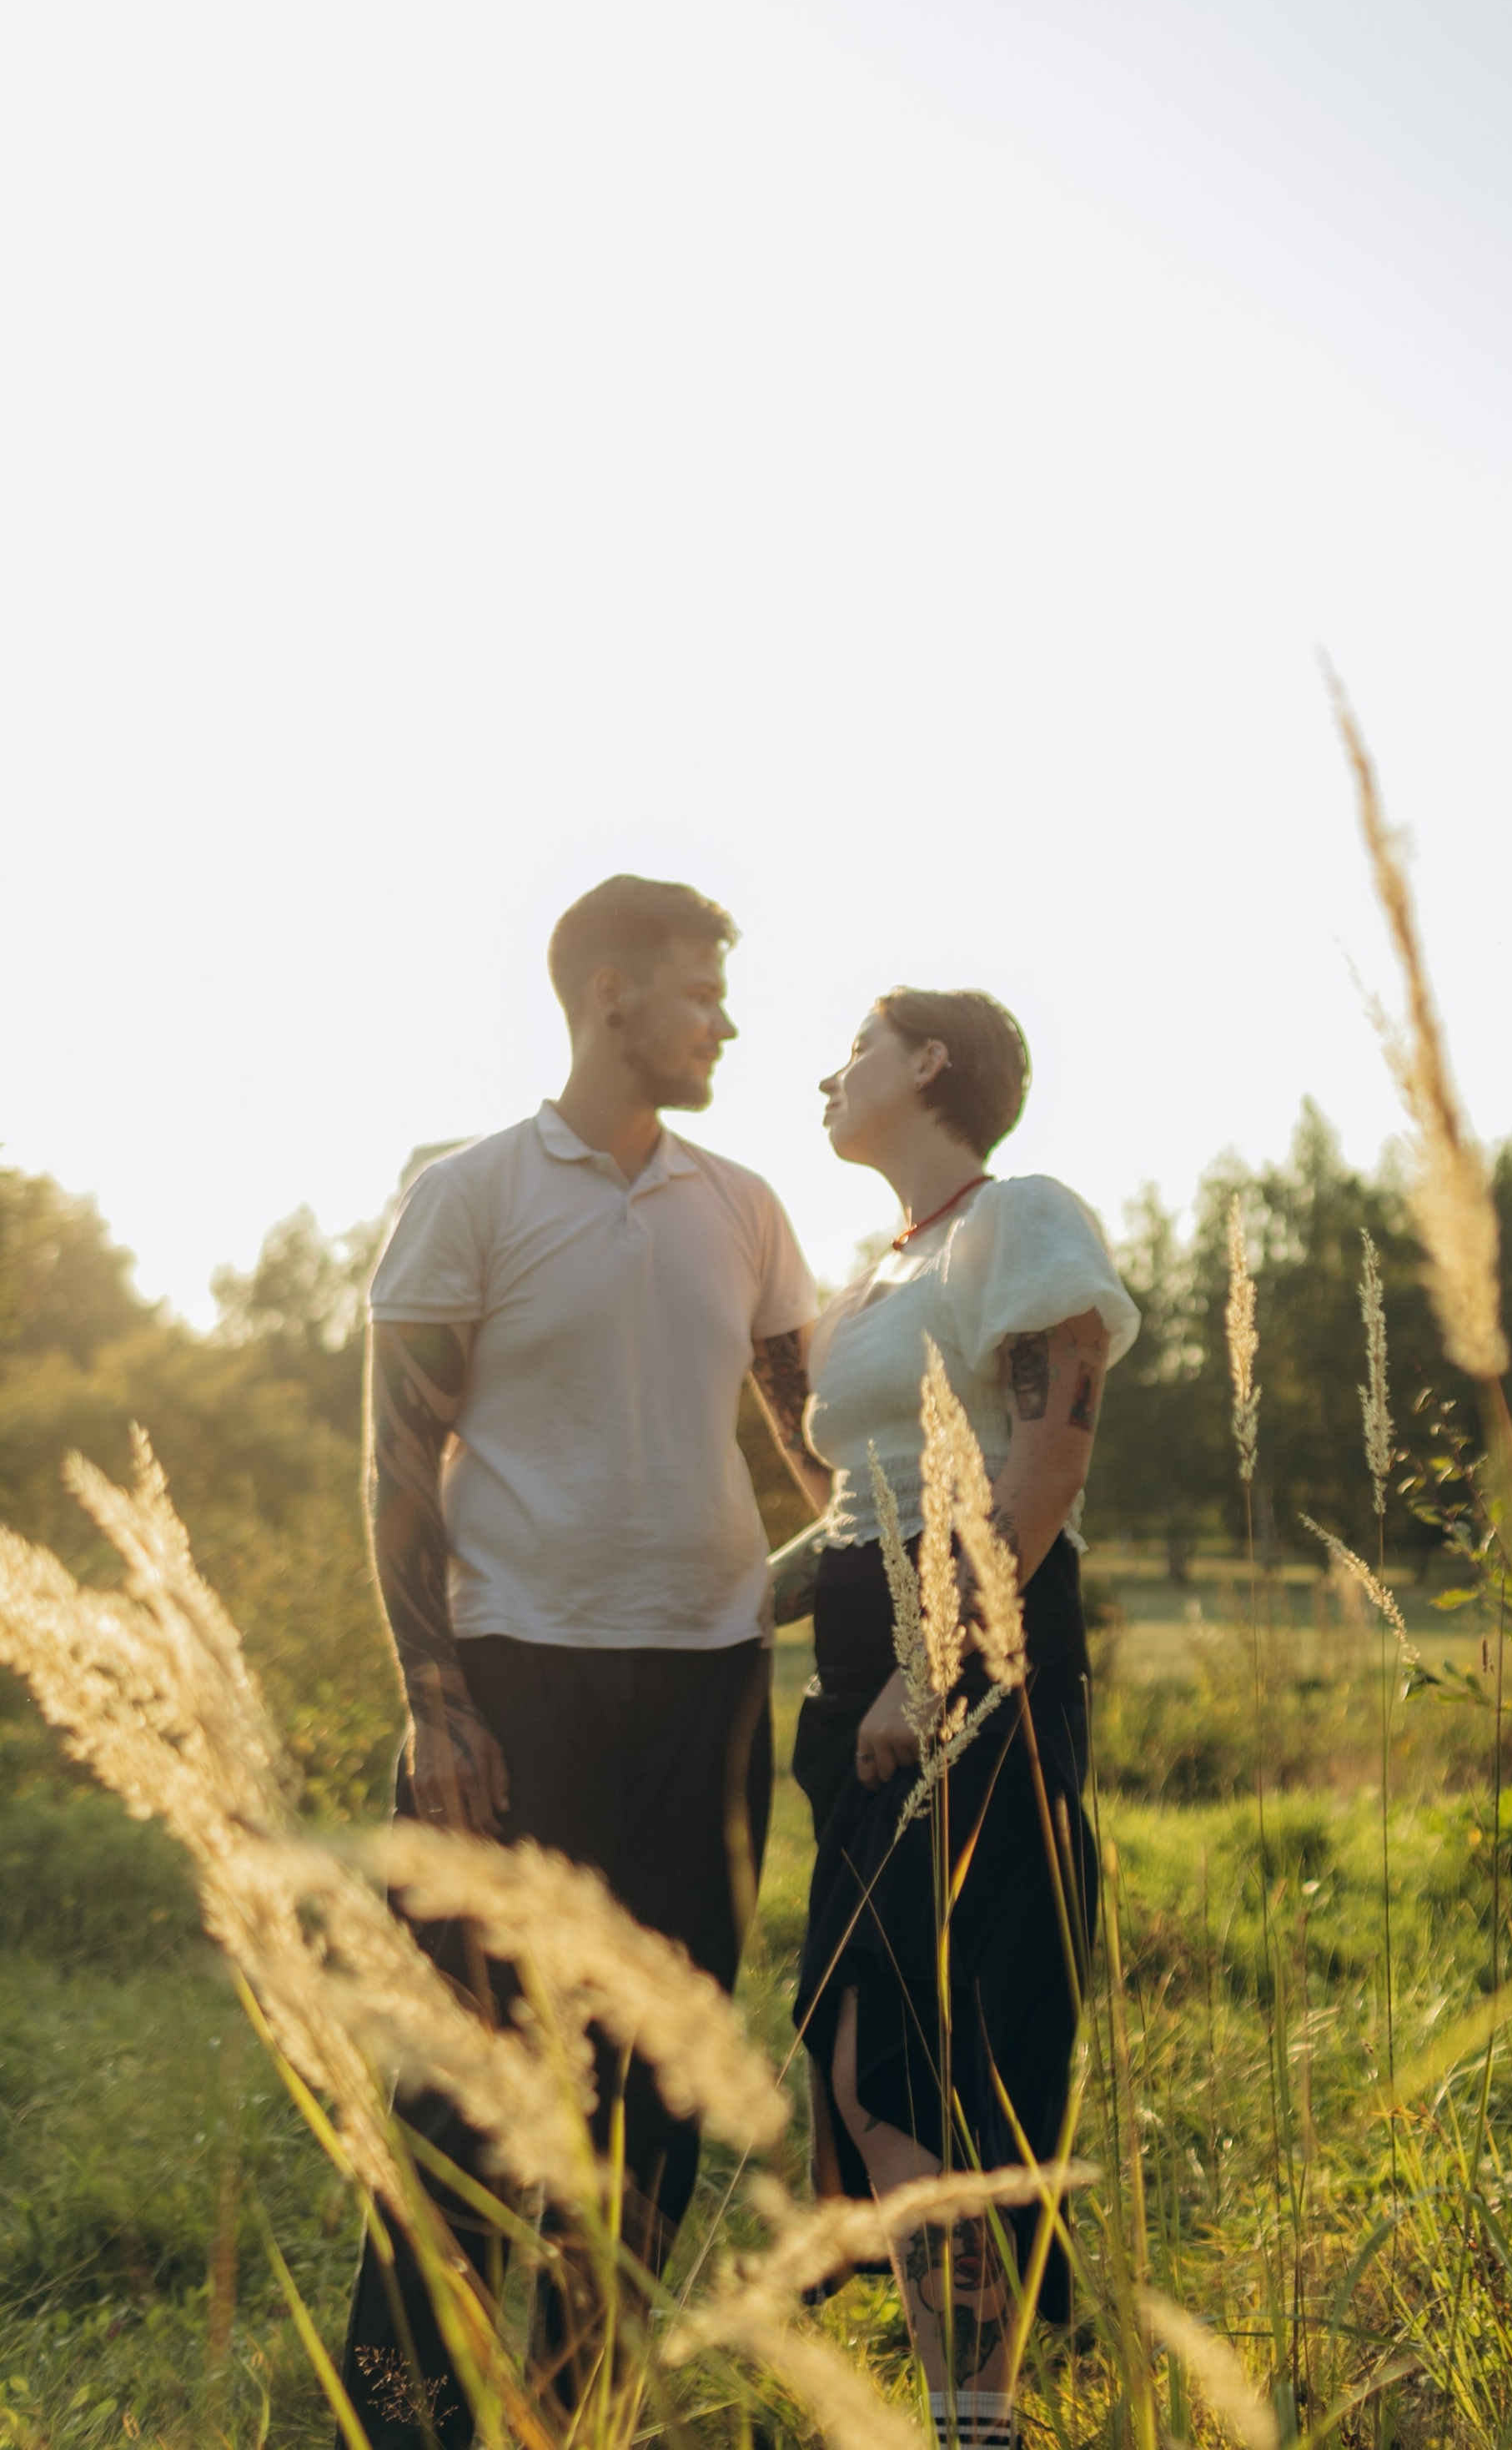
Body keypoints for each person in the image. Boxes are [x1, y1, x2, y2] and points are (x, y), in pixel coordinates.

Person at [341, 875, 819, 2449]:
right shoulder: (471, 1193)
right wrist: (434, 1700)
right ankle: (410, 2421)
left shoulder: (744, 1206)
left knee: (662, 2076)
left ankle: (580, 2411)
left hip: (709, 1687)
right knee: (463, 2079)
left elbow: (823, 1450)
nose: (727, 1024)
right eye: (702, 994)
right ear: (612, 993)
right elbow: (397, 1463)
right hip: (512, 1680)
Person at [756, 989, 1139, 2450]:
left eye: (853, 1048)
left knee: (925, 2045)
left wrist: (935, 1676)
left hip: (974, 1670)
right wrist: (730, 1603)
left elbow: (1048, 1458)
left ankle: (977, 2418)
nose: (826, 1076)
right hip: (859, 1683)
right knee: (864, 2042)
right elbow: (861, 1507)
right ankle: (971, 2409)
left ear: (928, 1063)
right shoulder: (882, 1273)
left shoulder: (1017, 1218)